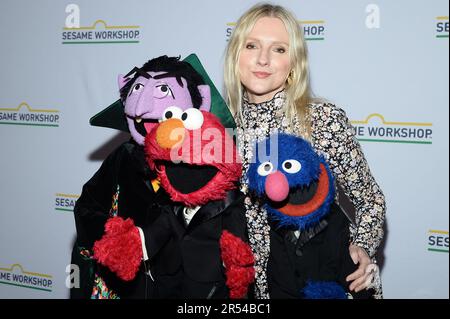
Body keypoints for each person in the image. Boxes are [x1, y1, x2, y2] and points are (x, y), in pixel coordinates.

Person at [223, 3, 386, 299]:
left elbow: (370, 200)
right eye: (252, 45)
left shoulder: (322, 120)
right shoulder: (220, 132)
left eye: (279, 50)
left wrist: (362, 244)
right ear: (236, 54)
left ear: (294, 63)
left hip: (327, 282)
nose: (262, 59)